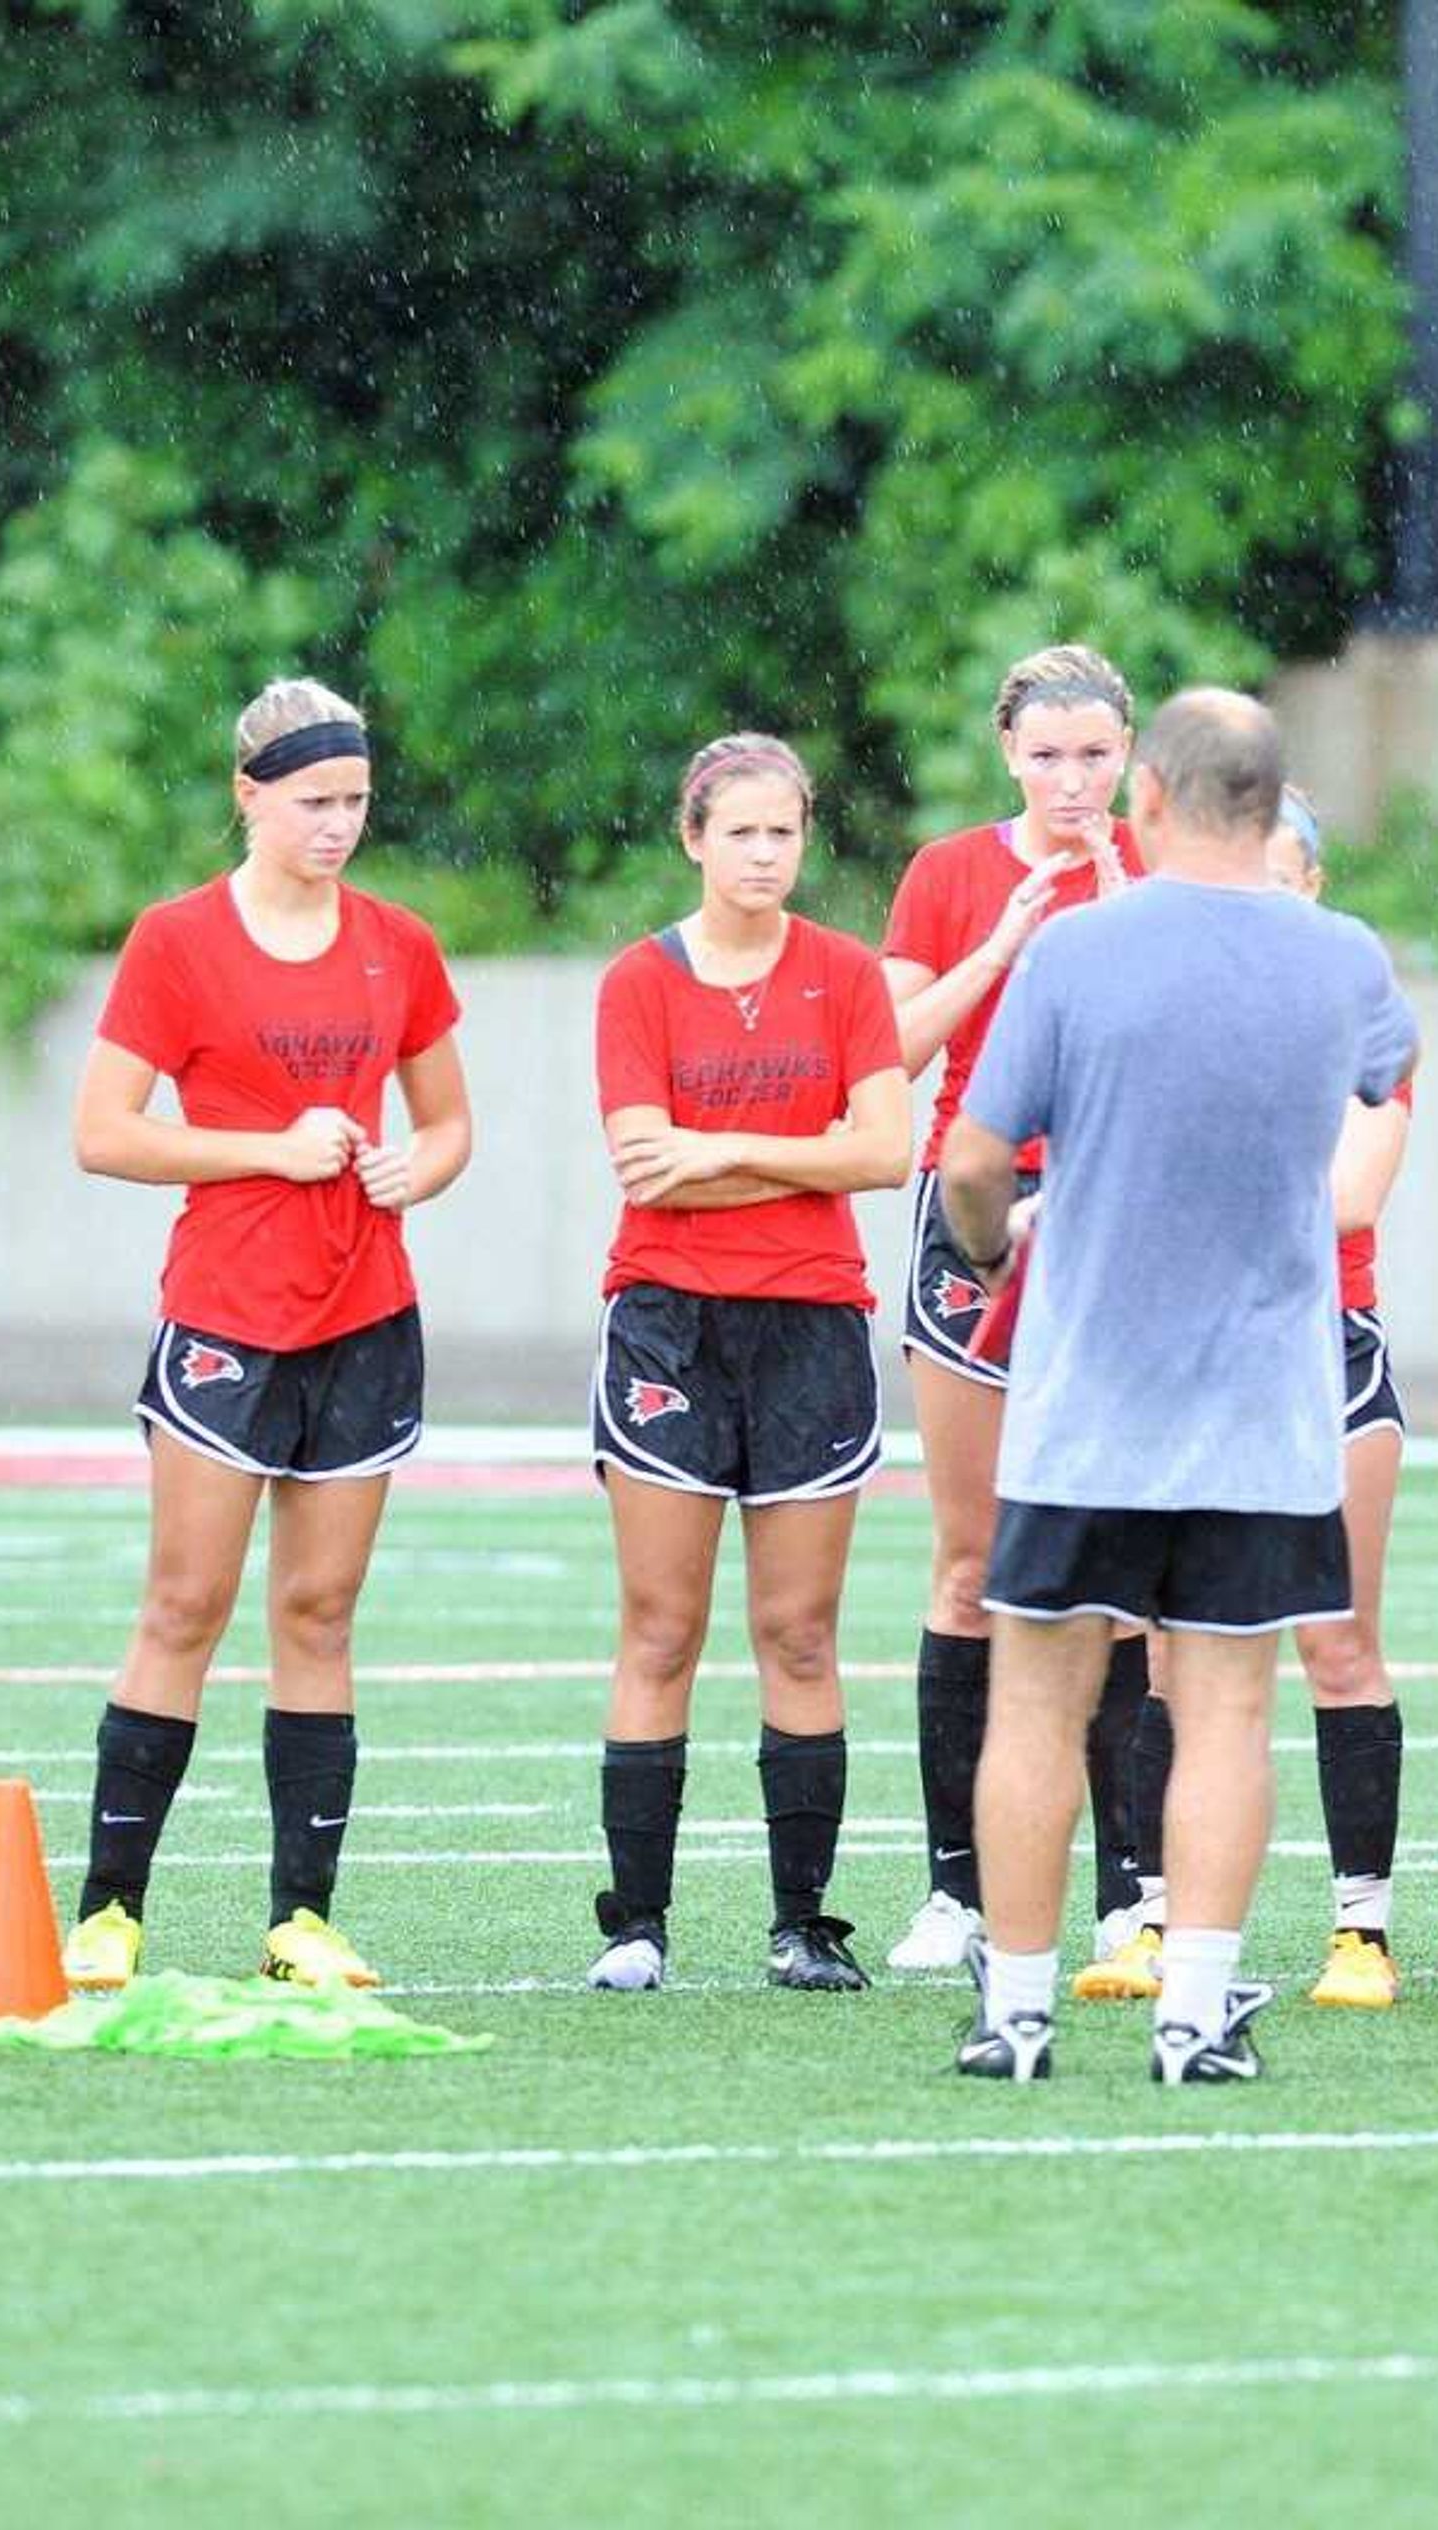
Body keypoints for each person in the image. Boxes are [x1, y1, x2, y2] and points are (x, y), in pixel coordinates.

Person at [941, 689, 1414, 2085]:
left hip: (1090, 1397)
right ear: (1275, 811)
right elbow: (1385, 1081)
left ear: (1146, 796)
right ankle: (1195, 2013)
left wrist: (991, 1250)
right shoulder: (1345, 957)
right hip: (1259, 1403)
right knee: (1226, 1707)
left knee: (1035, 1699)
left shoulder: (1079, 948)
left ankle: (1015, 2012)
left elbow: (974, 1158)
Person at [64, 678, 471, 1993]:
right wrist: (275, 1150)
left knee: (320, 1608)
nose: (338, 824)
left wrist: (425, 1166)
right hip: (228, 1313)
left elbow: (452, 1119)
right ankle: (110, 1912)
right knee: (185, 1602)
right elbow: (105, 1130)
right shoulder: (176, 942)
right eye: (313, 801)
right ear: (249, 794)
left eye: (355, 800)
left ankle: (304, 1916)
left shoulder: (397, 943)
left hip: (367, 1312)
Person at [580, 734, 909, 1994]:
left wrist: (717, 1152)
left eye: (786, 832)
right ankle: (637, 1922)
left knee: (801, 1631)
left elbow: (884, 1152)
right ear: (694, 839)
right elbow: (642, 1161)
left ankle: (802, 1922)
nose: (767, 854)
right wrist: (784, 1147)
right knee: (661, 1627)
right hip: (669, 1322)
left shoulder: (847, 976)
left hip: (812, 1324)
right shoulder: (638, 983)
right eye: (742, 833)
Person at [1109, 788, 1421, 2011]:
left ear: (1316, 891)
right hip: (1190, 1359)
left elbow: (1349, 1195)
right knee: (1168, 1652)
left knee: (1338, 1642)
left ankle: (1360, 1929)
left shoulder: (1361, 1019)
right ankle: (1147, 1913)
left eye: (1284, 877)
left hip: (1321, 1351)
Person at [876, 643, 1158, 1977]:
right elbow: (894, 1050)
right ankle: (957, 1890)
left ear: (1130, 757)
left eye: (1094, 753)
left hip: (1120, 1210)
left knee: (1126, 1562)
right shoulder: (947, 871)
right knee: (973, 1556)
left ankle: (1130, 1888)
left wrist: (1111, 906)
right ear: (1007, 754)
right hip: (979, 1206)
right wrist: (1009, 932)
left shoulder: (1157, 867)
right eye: (1046, 754)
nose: (1070, 778)